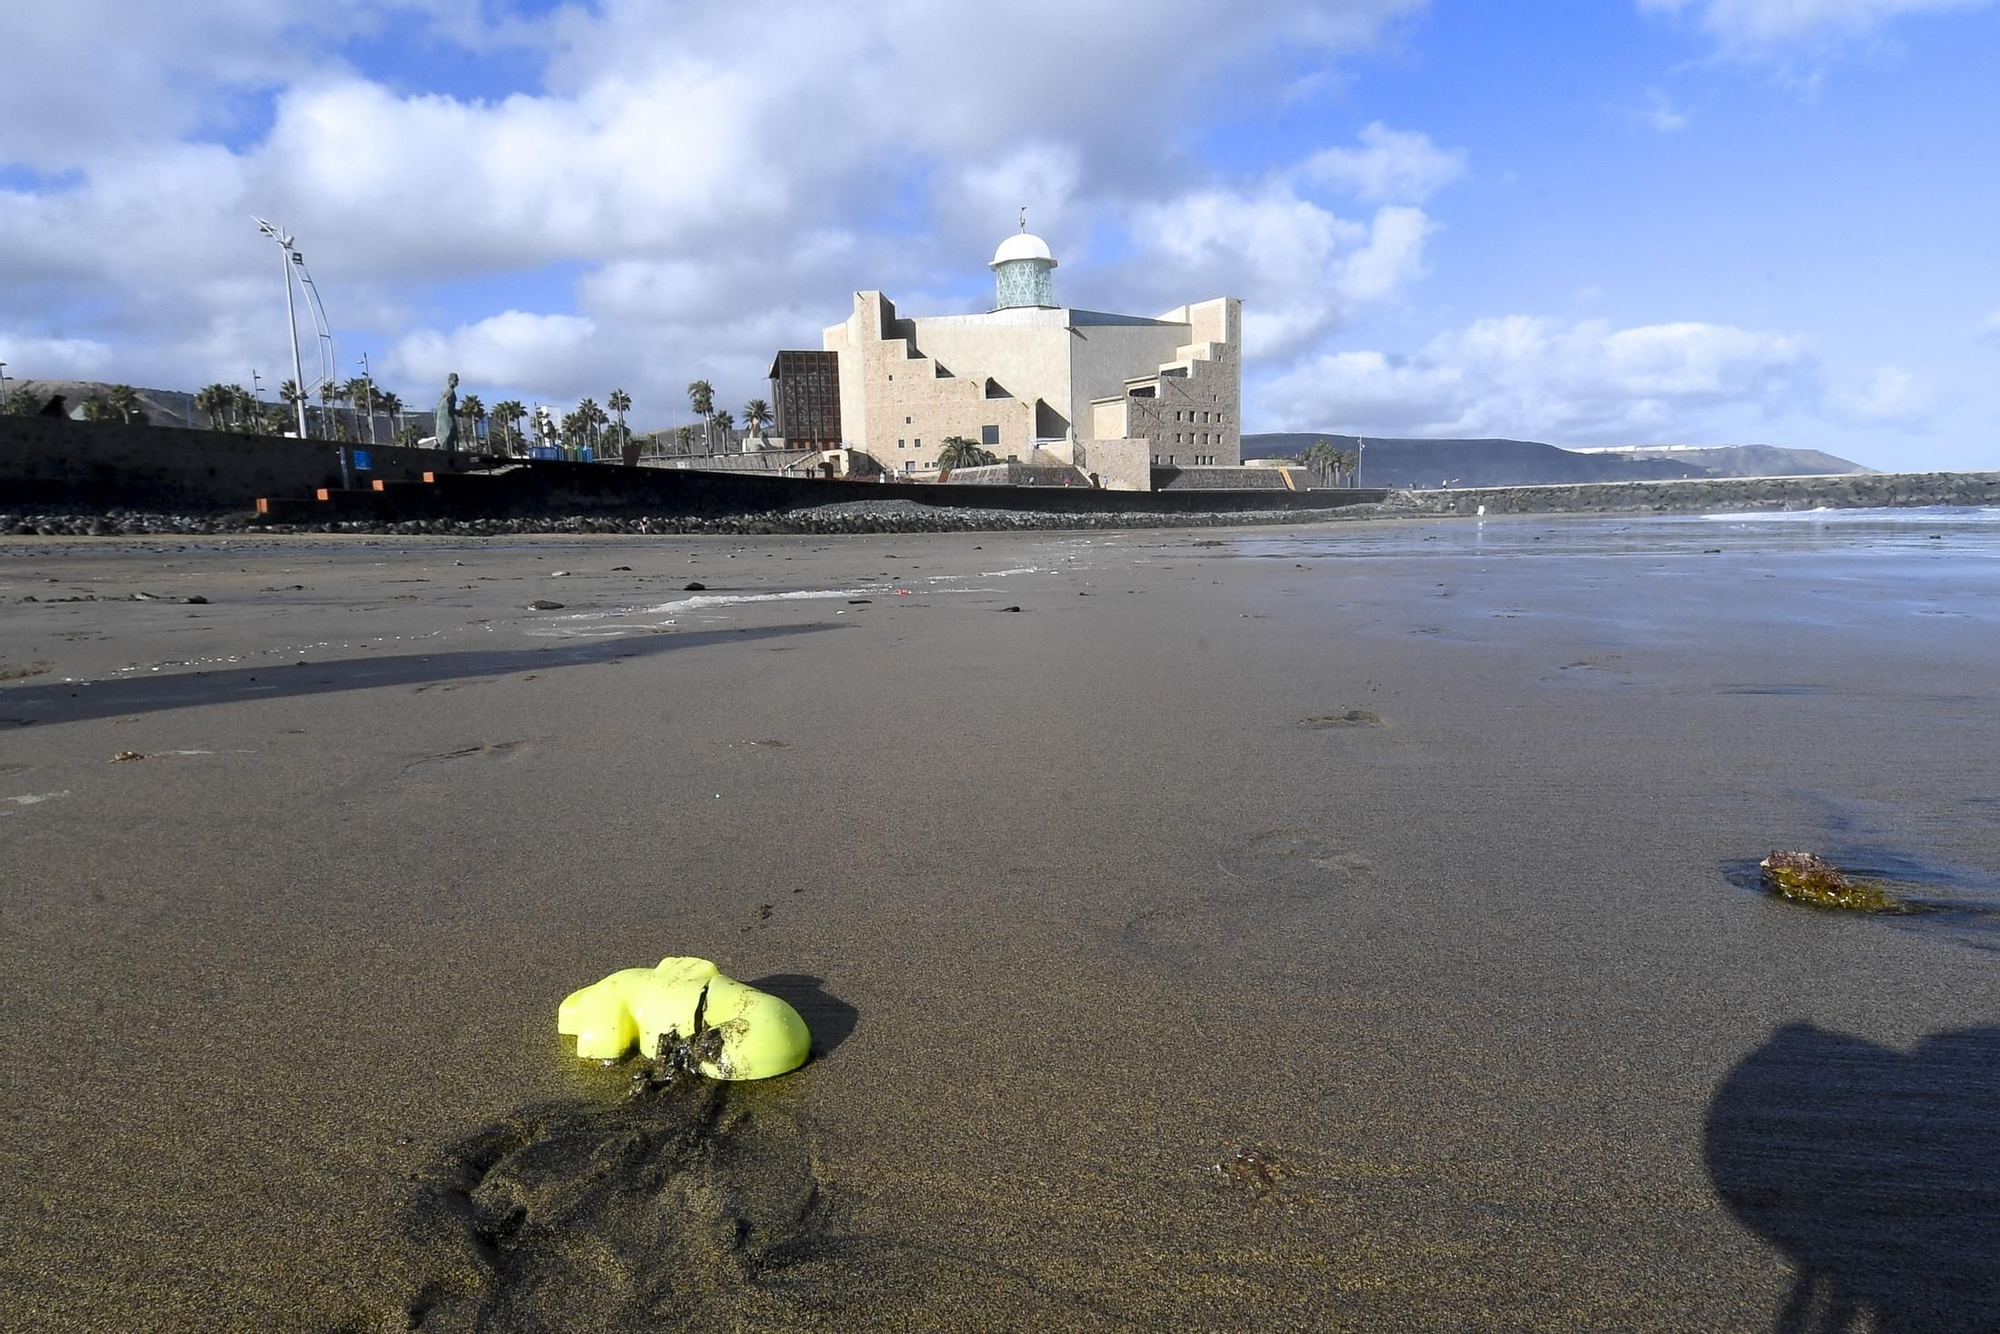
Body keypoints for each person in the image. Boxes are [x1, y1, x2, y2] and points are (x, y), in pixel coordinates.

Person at [435, 373, 460, 454]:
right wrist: (457, 412)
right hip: (446, 421)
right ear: (450, 380)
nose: (457, 382)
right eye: (455, 380)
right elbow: (446, 407)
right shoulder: (449, 391)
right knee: (449, 438)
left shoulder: (449, 391)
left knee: (453, 438)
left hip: (447, 419)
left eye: (457, 380)